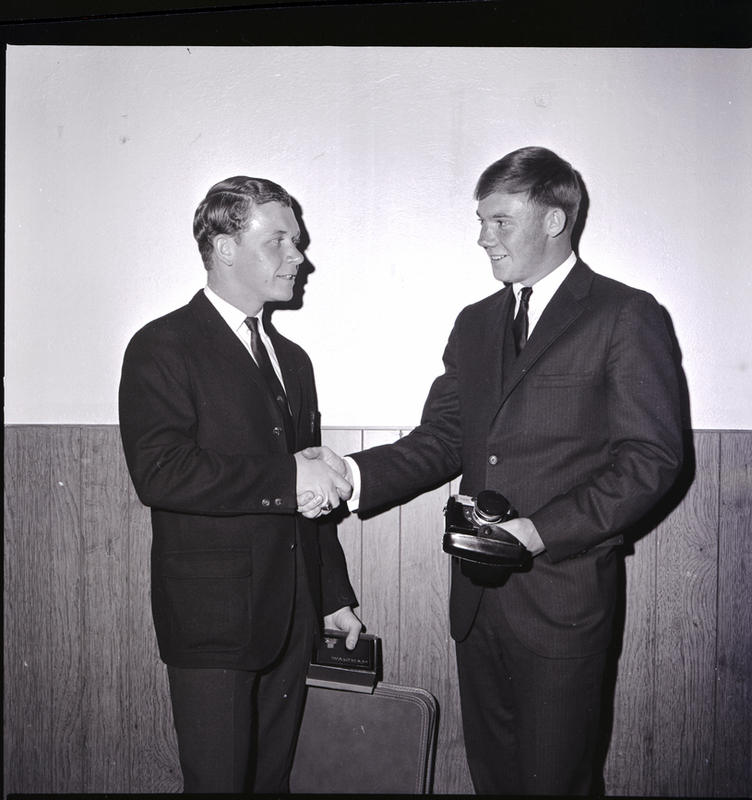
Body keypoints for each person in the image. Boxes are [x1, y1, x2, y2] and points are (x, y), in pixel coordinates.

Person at [300, 147, 683, 794]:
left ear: (555, 220)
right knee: (494, 781)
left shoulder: (625, 314)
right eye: (481, 221)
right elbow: (444, 439)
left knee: (555, 783)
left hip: (563, 603)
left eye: (500, 221)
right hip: (477, 606)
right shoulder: (475, 323)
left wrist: (541, 531)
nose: (483, 237)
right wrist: (351, 475)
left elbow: (652, 460)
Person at [119, 176, 361, 794]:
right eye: (278, 240)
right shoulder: (161, 346)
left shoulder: (293, 359)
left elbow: (309, 490)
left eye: (296, 241)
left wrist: (332, 594)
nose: (298, 256)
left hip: (294, 611)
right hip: (214, 622)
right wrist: (290, 473)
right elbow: (160, 472)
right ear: (225, 247)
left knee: (271, 784)